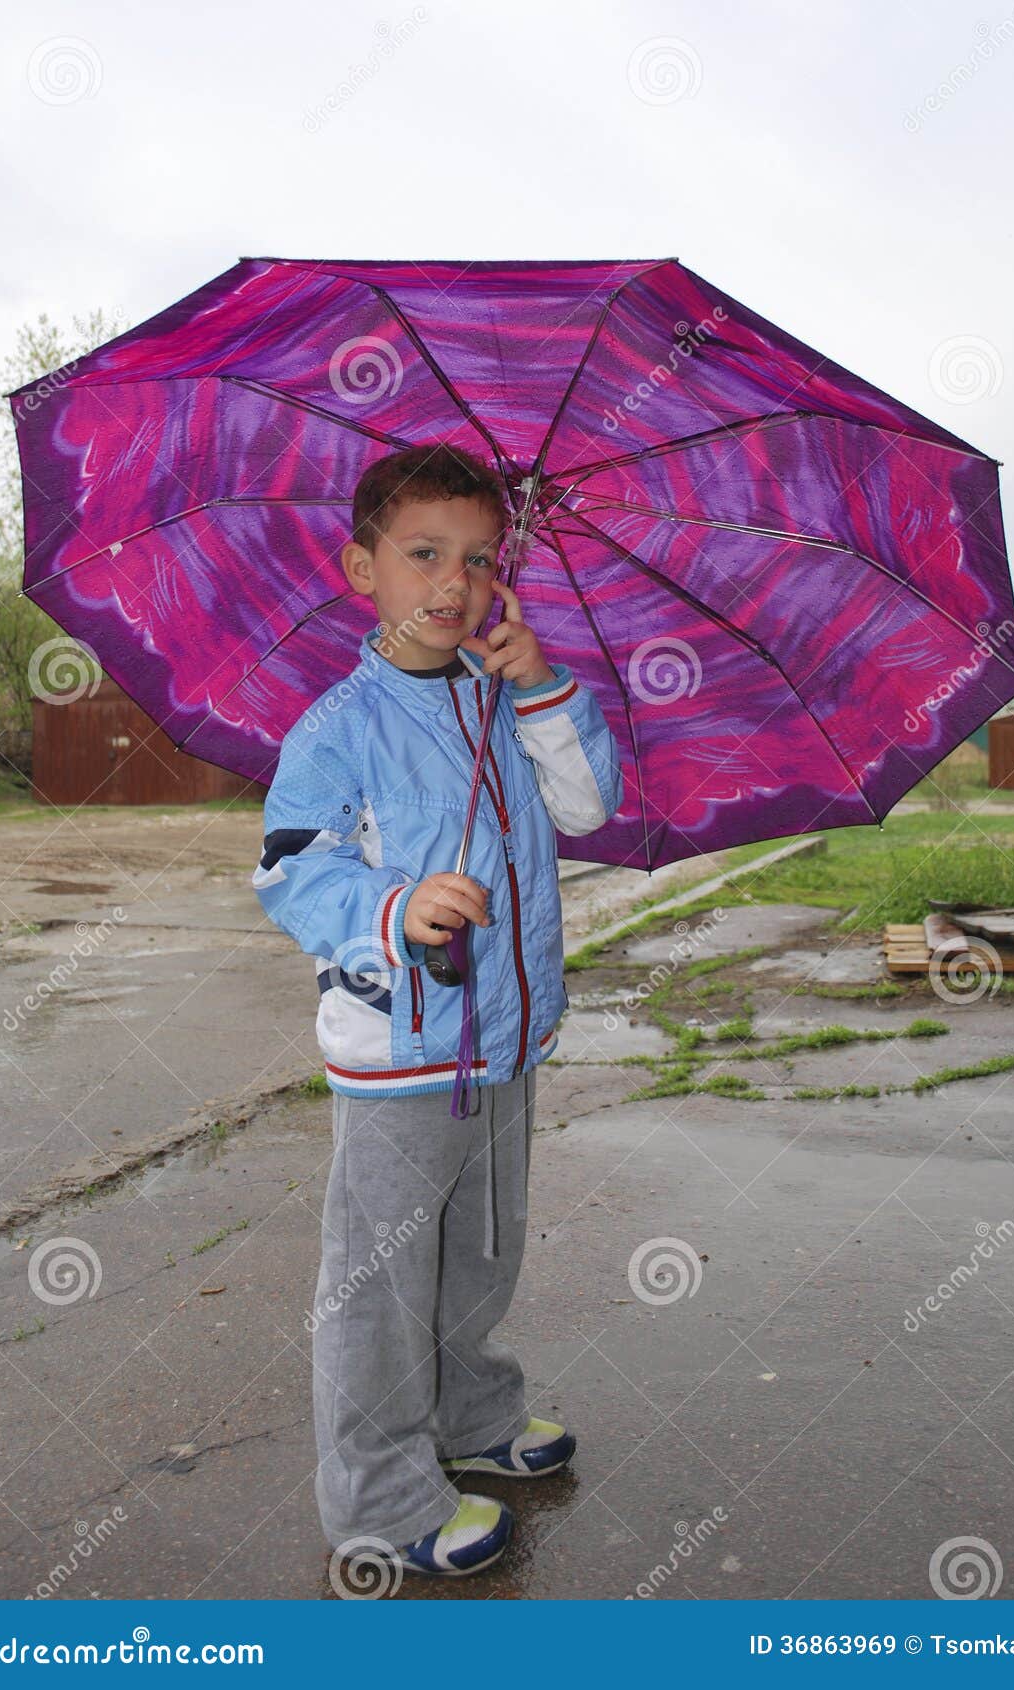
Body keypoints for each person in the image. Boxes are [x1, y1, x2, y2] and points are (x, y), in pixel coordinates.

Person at [252, 442, 624, 1580]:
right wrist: (396, 904)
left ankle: (471, 1419)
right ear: (364, 565)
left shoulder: (504, 697)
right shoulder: (338, 726)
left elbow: (588, 804)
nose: (452, 584)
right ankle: (379, 1496)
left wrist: (541, 690)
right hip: (401, 1053)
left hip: (506, 1035)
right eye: (423, 557)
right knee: (380, 1286)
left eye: (475, 559)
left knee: (479, 1256)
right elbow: (289, 871)